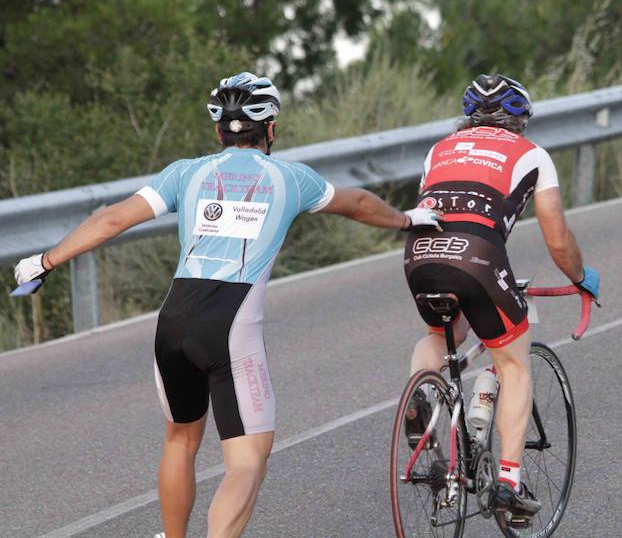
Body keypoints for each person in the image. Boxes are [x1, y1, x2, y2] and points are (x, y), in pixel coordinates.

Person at [13, 72, 441, 538]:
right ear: (271, 129)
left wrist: (44, 261)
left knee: (180, 439)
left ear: (219, 131)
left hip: (173, 318)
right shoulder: (292, 178)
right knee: (246, 461)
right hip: (230, 323)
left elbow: (113, 218)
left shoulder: (185, 172)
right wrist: (407, 220)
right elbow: (357, 203)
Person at [402, 73, 599, 518]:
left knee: (439, 333)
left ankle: (421, 399)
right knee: (513, 362)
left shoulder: (440, 149)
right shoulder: (532, 154)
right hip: (479, 255)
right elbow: (557, 236)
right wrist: (581, 276)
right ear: (520, 120)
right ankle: (509, 482)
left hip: (420, 251)